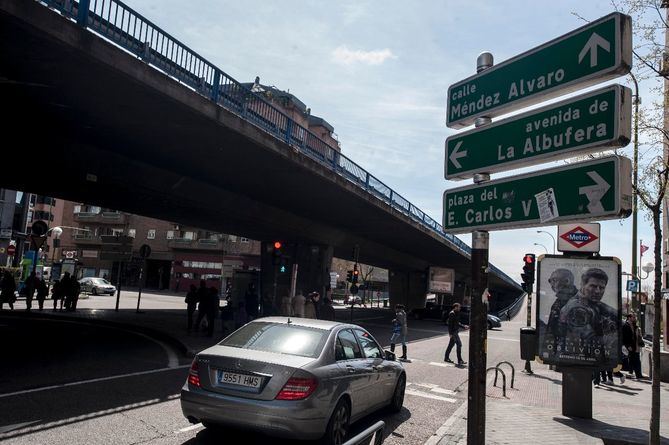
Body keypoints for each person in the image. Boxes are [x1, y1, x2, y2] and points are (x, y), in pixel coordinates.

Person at [559, 268, 618, 362]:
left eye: (601, 288)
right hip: (578, 360)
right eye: (593, 286)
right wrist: (613, 336)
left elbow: (612, 313)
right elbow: (590, 341)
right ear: (583, 284)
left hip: (586, 360)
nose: (597, 291)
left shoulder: (591, 302)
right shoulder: (577, 308)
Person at [622, 312, 645, 379]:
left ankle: (638, 374)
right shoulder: (625, 326)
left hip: (635, 346)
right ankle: (633, 373)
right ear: (629, 318)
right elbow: (624, 337)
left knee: (636, 360)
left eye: (635, 317)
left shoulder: (635, 325)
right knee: (632, 360)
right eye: (633, 317)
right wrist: (628, 346)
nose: (635, 318)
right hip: (629, 346)